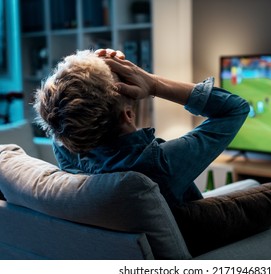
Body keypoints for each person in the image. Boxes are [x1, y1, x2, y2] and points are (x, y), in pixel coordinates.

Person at [34, 49, 250, 209]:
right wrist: (152, 83)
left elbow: (63, 108)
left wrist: (89, 70)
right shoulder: (161, 165)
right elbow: (235, 108)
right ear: (127, 115)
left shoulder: (69, 156)